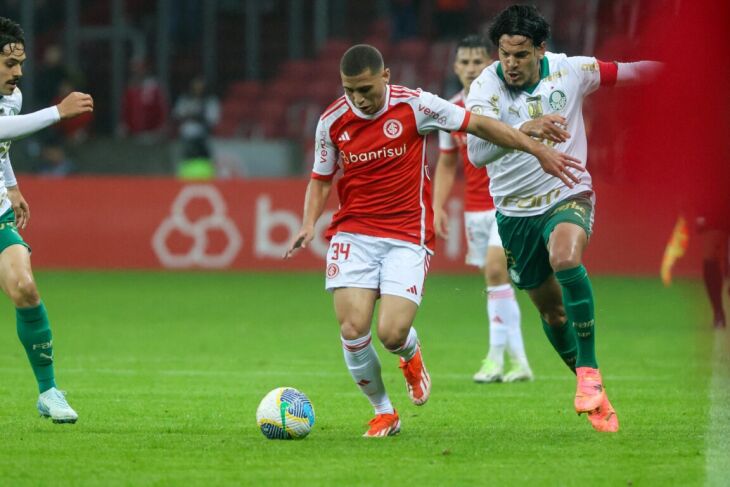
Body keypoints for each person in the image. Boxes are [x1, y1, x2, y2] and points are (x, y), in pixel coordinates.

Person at [285, 43, 581, 437]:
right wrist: (309, 222)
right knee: (353, 329)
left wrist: (530, 142)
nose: (359, 98)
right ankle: (384, 412)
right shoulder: (332, 121)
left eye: (367, 89)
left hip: (407, 236)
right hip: (354, 232)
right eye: (350, 90)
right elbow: (321, 178)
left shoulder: (415, 106)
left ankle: (409, 353)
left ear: (386, 77)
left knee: (391, 334)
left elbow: (475, 124)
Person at [466, 4, 660, 433]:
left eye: (520, 54)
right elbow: (476, 153)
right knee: (552, 314)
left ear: (541, 49)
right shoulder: (484, 88)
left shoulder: (570, 71)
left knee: (566, 258)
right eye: (504, 54)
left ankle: (589, 370)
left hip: (566, 192)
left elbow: (629, 72)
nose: (511, 64)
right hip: (515, 212)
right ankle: (591, 391)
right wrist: (528, 129)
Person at [0, 17, 93, 423]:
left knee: (25, 287)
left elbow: (2, 144)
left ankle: (49, 391)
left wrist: (12, 185)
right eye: (8, 63)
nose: (17, 73)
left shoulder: (13, 97)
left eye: (19, 63)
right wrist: (57, 112)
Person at [434, 35, 532, 384]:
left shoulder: (506, 101)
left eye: (478, 62)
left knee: (494, 272)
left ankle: (493, 358)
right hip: (475, 209)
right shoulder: (449, 110)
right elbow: (446, 165)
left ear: (488, 64)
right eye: (465, 62)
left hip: (507, 201)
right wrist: (437, 206)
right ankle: (519, 362)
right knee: (496, 281)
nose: (472, 68)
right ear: (456, 67)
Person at [172, 76, 220, 179]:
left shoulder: (209, 100)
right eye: (196, 85)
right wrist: (194, 115)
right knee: (184, 160)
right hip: (186, 137)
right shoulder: (185, 99)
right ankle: (184, 176)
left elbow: (212, 119)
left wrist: (195, 116)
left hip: (202, 137)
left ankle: (206, 175)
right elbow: (177, 114)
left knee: (204, 161)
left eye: (200, 85)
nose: (198, 88)